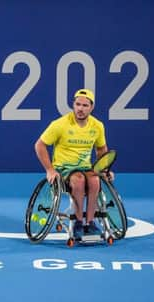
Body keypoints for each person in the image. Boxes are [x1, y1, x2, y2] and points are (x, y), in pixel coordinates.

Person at [34, 88, 111, 239]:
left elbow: (101, 149)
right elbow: (39, 145)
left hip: (85, 167)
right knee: (79, 180)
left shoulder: (97, 126)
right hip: (64, 169)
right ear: (73, 105)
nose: (80, 109)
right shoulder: (60, 124)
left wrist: (104, 169)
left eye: (85, 105)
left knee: (95, 180)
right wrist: (50, 170)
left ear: (92, 107)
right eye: (78, 104)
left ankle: (90, 222)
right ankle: (77, 222)